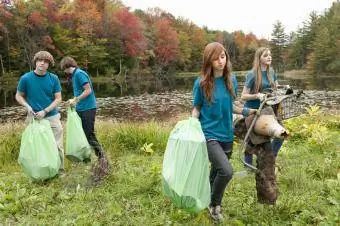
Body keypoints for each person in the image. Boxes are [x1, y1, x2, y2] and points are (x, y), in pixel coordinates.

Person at [192, 42, 256, 221]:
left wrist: (246, 111)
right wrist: (192, 123)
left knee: (216, 170)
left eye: (223, 57)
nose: (220, 61)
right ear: (209, 61)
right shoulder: (202, 83)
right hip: (209, 134)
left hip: (227, 133)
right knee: (226, 171)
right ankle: (215, 205)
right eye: (215, 58)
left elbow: (231, 105)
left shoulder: (231, 80)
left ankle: (206, 198)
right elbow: (196, 108)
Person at [15, 50, 64, 172]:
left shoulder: (54, 78)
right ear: (35, 62)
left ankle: (60, 170)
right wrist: (27, 106)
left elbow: (59, 98)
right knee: (36, 146)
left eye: (46, 61)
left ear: (49, 64)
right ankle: (39, 171)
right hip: (34, 117)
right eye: (40, 60)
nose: (42, 63)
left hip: (51, 116)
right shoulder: (26, 78)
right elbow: (18, 96)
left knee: (57, 145)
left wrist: (45, 111)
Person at [60, 57, 109, 177]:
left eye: (64, 70)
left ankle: (102, 158)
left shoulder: (79, 74)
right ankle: (88, 158)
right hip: (81, 109)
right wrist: (73, 101)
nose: (65, 73)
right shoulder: (75, 75)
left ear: (66, 67)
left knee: (89, 134)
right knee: (84, 135)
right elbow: (80, 91)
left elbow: (88, 90)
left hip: (88, 108)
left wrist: (76, 99)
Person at [241, 47, 285, 167]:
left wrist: (285, 89)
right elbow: (243, 96)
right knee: (254, 140)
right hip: (253, 111)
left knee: (282, 134)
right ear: (259, 58)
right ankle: (248, 165)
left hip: (268, 109)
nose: (269, 57)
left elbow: (276, 88)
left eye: (270, 55)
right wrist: (257, 95)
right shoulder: (252, 74)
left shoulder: (271, 72)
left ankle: (271, 157)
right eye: (265, 55)